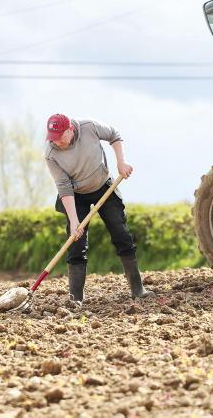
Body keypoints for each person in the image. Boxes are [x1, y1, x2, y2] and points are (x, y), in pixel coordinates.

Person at [44, 113, 153, 306]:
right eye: (53, 138)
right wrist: (75, 221)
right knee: (76, 243)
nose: (57, 142)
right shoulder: (51, 154)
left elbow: (114, 135)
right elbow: (63, 187)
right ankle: (75, 299)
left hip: (104, 186)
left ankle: (138, 289)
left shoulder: (89, 127)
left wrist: (121, 162)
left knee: (121, 234)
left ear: (70, 129)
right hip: (76, 196)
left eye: (60, 136)